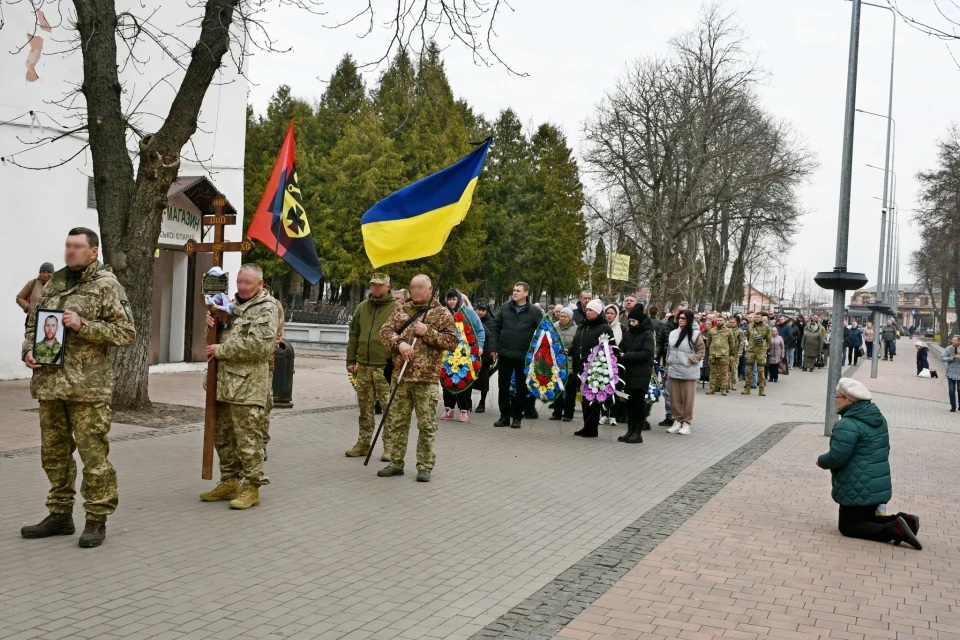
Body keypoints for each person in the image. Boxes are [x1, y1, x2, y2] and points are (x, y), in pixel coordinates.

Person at [20, 228, 135, 548]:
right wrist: (29, 351)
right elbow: (34, 324)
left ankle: (96, 519)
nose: (70, 251)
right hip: (50, 385)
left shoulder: (107, 286)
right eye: (68, 246)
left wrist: (83, 326)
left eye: (77, 246)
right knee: (53, 455)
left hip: (88, 388)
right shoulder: (53, 284)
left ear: (93, 251)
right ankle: (60, 514)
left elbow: (126, 333)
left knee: (93, 456)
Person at [200, 264, 280, 510]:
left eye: (248, 283)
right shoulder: (228, 306)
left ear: (260, 284)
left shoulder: (267, 309)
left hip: (247, 388)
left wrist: (221, 350)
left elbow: (260, 347)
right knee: (222, 437)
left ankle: (251, 487)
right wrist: (211, 324)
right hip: (221, 383)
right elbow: (211, 341)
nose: (242, 287)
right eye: (239, 282)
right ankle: (229, 481)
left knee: (248, 440)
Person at [816, 378, 921, 550]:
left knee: (849, 526)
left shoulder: (847, 424)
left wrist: (821, 461)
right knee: (867, 520)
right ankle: (905, 520)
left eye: (838, 396)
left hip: (856, 484)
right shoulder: (878, 419)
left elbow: (837, 457)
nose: (836, 399)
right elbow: (885, 448)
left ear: (850, 400)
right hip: (876, 483)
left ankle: (896, 530)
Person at [377, 275, 458, 482]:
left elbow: (452, 341)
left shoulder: (441, 313)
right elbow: (385, 331)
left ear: (430, 289)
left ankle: (424, 466)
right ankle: (396, 463)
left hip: (426, 380)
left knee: (426, 426)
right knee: (397, 423)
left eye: (420, 288)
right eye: (413, 287)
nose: (416, 291)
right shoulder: (402, 310)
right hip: (401, 378)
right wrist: (400, 344)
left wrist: (428, 331)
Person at [344, 273, 399, 460]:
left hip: (384, 367)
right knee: (365, 408)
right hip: (364, 366)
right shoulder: (362, 307)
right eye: (373, 285)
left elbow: (402, 338)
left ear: (388, 287)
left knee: (388, 409)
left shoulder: (396, 309)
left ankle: (389, 447)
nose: (375, 288)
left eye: (379, 285)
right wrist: (351, 360)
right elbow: (354, 335)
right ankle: (363, 443)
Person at [487, 282, 541, 429]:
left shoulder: (534, 312)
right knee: (503, 387)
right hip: (504, 354)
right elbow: (495, 328)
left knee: (521, 388)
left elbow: (541, 333)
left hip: (523, 357)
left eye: (518, 290)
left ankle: (517, 417)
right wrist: (493, 347)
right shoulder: (505, 308)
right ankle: (504, 416)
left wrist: (537, 353)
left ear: (526, 293)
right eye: (514, 290)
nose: (514, 293)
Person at [440, 288, 485, 422]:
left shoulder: (469, 312)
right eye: (449, 299)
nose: (451, 302)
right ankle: (449, 409)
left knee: (463, 381)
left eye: (454, 299)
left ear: (459, 299)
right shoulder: (444, 312)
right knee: (446, 380)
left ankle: (464, 410)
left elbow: (479, 330)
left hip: (465, 352)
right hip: (447, 353)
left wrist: (480, 346)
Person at [571, 299, 613, 438]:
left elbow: (610, 348)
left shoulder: (603, 327)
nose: (588, 313)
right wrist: (570, 350)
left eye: (591, 310)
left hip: (594, 369)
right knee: (584, 399)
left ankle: (592, 428)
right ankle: (587, 426)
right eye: (587, 310)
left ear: (598, 312)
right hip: (580, 367)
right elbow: (577, 343)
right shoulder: (582, 326)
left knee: (592, 399)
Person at [618, 304, 655, 443]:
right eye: (630, 321)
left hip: (641, 373)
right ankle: (630, 430)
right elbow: (621, 347)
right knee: (630, 404)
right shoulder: (630, 332)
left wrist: (626, 356)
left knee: (638, 404)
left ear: (640, 320)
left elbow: (646, 354)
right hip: (629, 373)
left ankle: (637, 432)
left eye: (634, 321)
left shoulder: (647, 333)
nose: (631, 324)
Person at [665, 310, 704, 435]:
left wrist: (690, 360)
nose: (681, 320)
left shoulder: (695, 334)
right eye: (679, 318)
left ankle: (686, 422)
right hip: (673, 370)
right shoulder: (673, 333)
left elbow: (701, 352)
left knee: (688, 399)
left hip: (688, 371)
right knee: (674, 398)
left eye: (684, 318)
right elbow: (669, 352)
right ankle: (677, 420)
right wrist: (667, 367)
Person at [550, 307, 579, 422]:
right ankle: (556, 412)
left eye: (565, 316)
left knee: (570, 390)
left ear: (570, 318)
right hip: (556, 363)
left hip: (570, 363)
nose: (562, 318)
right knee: (557, 389)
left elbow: (576, 345)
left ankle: (568, 414)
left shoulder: (576, 329)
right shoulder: (555, 327)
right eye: (561, 316)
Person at [656, 307, 681, 427]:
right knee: (667, 390)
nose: (681, 315)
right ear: (674, 312)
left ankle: (680, 416)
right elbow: (660, 342)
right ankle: (669, 415)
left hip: (682, 363)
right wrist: (657, 354)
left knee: (680, 392)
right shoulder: (666, 326)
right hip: (667, 361)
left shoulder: (688, 327)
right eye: (679, 311)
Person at [704, 317, 736, 395]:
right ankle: (712, 388)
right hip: (713, 354)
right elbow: (708, 342)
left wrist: (730, 353)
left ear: (724, 321)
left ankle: (723, 389)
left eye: (720, 320)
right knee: (713, 372)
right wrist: (712, 350)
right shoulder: (712, 330)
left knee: (724, 372)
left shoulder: (728, 331)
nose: (719, 322)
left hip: (724, 354)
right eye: (717, 320)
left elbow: (732, 343)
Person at [473, 299, 494, 413]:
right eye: (478, 309)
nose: (480, 312)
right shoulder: (471, 320)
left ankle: (482, 402)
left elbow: (493, 338)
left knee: (484, 381)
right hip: (472, 355)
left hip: (485, 356)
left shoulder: (491, 322)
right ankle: (468, 401)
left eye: (483, 310)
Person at [743, 313, 771, 396]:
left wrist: (765, 349)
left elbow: (769, 339)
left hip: (761, 351)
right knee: (748, 370)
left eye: (758, 317)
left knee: (761, 371)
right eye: (755, 317)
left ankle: (761, 390)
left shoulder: (766, 326)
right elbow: (748, 337)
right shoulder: (750, 326)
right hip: (751, 351)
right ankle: (747, 388)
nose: (756, 319)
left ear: (761, 318)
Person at [941, 335, 960, 411]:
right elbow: (942, 357)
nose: (952, 341)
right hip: (951, 372)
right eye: (952, 339)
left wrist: (958, 357)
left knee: (959, 389)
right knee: (951, 390)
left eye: (954, 340)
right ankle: (953, 406)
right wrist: (949, 359)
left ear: (959, 341)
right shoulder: (949, 348)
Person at [727, 317, 743, 393]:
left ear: (736, 322)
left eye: (733, 322)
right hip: (727, 352)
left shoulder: (739, 331)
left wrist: (740, 352)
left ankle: (733, 383)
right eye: (730, 322)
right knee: (726, 368)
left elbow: (742, 342)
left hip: (735, 352)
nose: (731, 323)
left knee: (734, 368)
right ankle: (726, 383)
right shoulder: (727, 329)